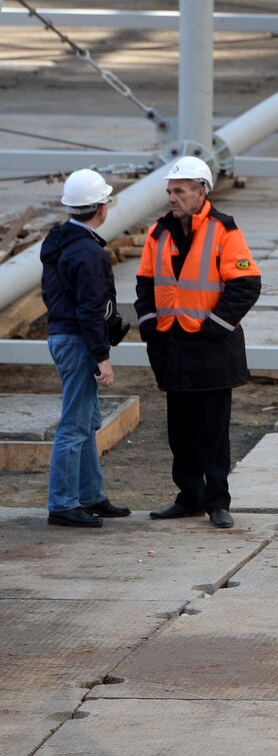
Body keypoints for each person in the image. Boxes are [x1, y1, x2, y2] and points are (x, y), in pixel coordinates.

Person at [134, 157, 261, 529]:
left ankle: (217, 501)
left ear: (201, 192)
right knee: (181, 432)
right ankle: (189, 496)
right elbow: (144, 284)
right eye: (170, 191)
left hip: (211, 350)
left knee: (213, 433)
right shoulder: (158, 232)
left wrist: (214, 328)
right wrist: (150, 327)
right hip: (172, 349)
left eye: (180, 191)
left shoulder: (224, 231)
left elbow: (246, 284)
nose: (172, 198)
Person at [38, 169, 131, 528]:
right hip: (78, 341)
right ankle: (63, 503)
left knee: (87, 421)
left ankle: (91, 496)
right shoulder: (88, 254)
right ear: (101, 208)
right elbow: (90, 310)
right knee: (75, 425)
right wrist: (102, 357)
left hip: (63, 337)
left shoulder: (60, 241)